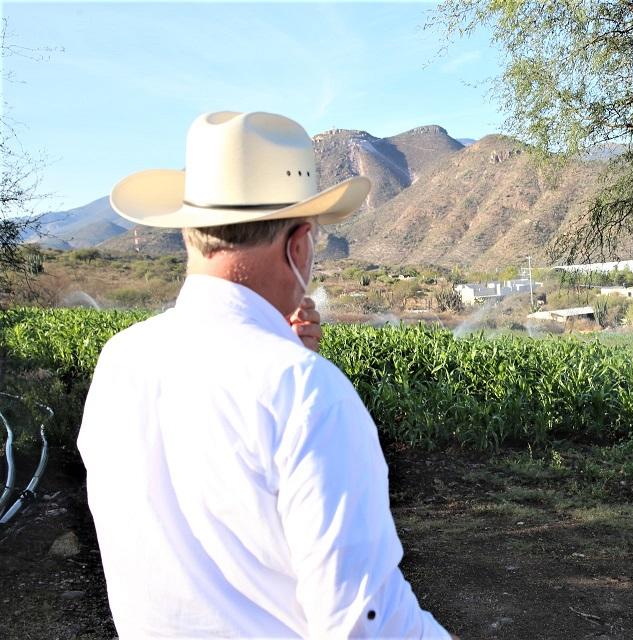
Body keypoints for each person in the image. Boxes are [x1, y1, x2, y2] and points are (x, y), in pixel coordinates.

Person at [78, 111, 453, 638]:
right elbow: (364, 624)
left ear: (190, 234)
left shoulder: (122, 358)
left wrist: (282, 347)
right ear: (299, 244)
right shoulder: (304, 391)